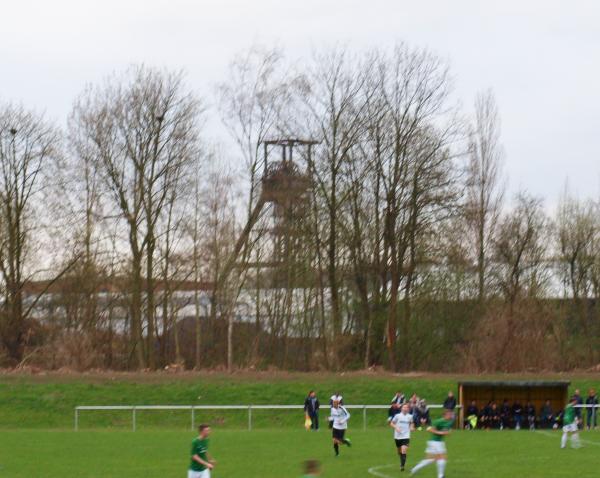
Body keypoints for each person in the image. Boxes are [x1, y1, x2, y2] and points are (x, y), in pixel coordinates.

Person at [410, 409, 454, 478]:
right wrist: (440, 432)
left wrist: (448, 432)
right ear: (445, 415)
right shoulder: (439, 421)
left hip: (438, 442)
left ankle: (414, 469)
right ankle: (441, 475)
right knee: (442, 457)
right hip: (435, 442)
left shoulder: (449, 422)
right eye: (449, 414)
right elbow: (429, 429)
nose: (451, 416)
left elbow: (448, 431)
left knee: (430, 459)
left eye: (451, 414)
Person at [390, 403, 414, 472]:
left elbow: (411, 423)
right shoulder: (397, 416)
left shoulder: (410, 416)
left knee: (404, 450)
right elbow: (391, 423)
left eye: (407, 407)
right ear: (401, 408)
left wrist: (412, 427)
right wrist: (396, 427)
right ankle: (402, 460)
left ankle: (402, 466)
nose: (405, 408)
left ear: (408, 409)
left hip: (406, 436)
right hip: (397, 436)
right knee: (399, 451)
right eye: (404, 407)